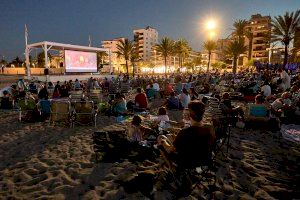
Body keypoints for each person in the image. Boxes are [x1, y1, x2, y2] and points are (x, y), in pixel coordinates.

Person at [157, 101, 216, 169]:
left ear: (189, 115)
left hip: (187, 162)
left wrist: (163, 142)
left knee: (161, 137)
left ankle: (171, 168)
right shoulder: (210, 128)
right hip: (205, 159)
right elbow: (212, 143)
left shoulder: (185, 132)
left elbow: (171, 150)